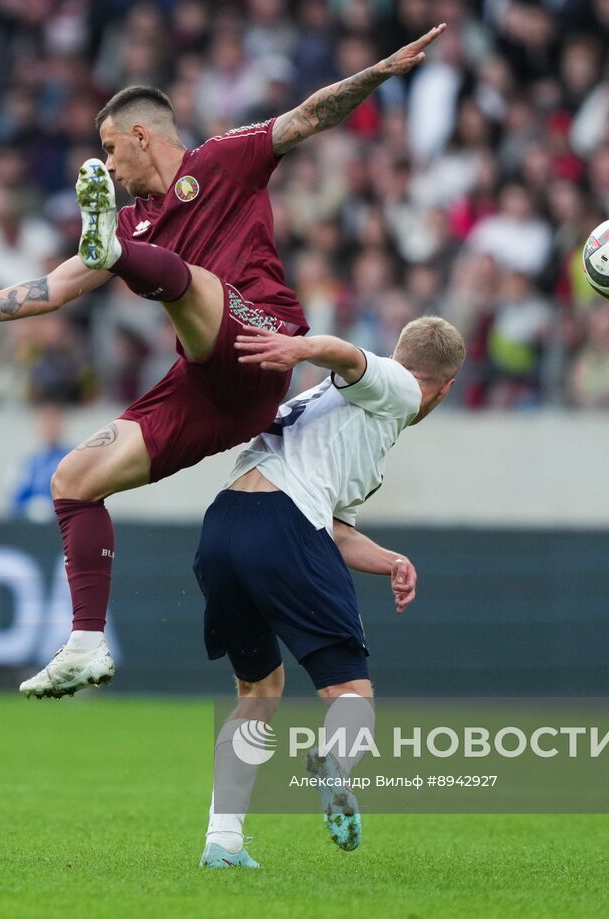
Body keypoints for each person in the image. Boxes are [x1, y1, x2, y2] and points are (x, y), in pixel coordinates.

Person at [0, 24, 449, 699]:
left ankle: (123, 266)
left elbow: (308, 116)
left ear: (141, 137)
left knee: (193, 281)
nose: (109, 166)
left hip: (261, 344)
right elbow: (56, 287)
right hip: (204, 387)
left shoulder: (223, 161)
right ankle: (86, 642)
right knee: (72, 478)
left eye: (109, 150)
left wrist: (379, 71)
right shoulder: (129, 223)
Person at [195, 316, 465, 869]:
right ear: (445, 387)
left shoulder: (350, 419)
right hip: (284, 521)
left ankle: (222, 843)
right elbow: (347, 355)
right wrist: (299, 347)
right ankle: (332, 764)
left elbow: (337, 531)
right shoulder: (400, 386)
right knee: (350, 696)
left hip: (223, 525)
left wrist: (391, 559)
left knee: (259, 691)